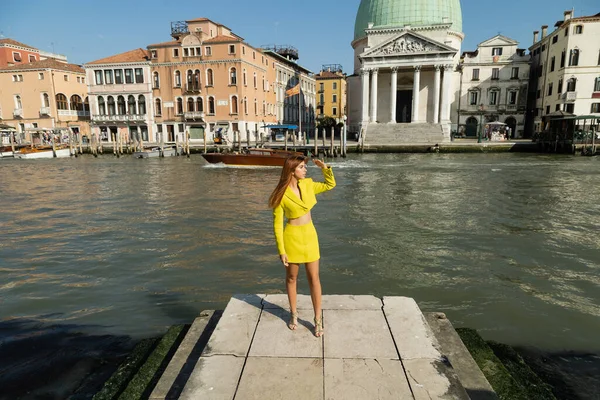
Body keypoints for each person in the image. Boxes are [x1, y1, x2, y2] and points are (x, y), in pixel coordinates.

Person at [268, 155, 336, 337]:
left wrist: (325, 168)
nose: (305, 170)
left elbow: (330, 185)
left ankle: (317, 318)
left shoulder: (308, 185)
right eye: (301, 167)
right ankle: (294, 314)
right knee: (292, 278)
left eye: (305, 166)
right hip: (292, 237)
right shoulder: (281, 194)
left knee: (314, 278)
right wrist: (281, 251)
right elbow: (277, 225)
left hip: (310, 236)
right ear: (291, 170)